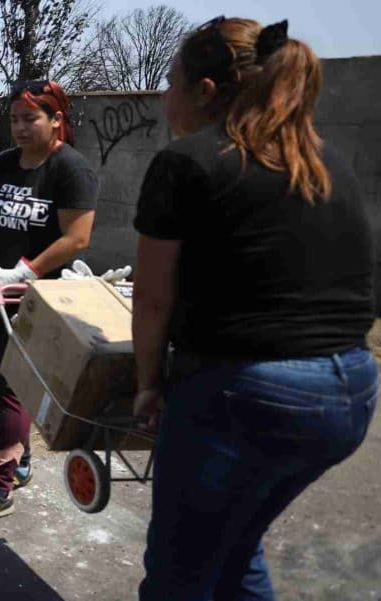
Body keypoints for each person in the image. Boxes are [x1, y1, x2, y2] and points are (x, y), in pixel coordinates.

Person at [132, 17, 377, 600]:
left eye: (172, 83)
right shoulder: (324, 163)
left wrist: (148, 386)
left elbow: (152, 296)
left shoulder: (186, 162)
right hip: (351, 391)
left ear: (207, 93)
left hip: (249, 395)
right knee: (235, 548)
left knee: (178, 575)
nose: (165, 97)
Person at [0, 79, 98, 523]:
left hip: (42, 298)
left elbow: (78, 237)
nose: (19, 127)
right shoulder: (3, 165)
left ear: (56, 120)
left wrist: (26, 271)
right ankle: (22, 461)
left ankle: (0, 485)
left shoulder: (69, 169)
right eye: (14, 119)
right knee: (10, 382)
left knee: (10, 385)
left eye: (30, 118)